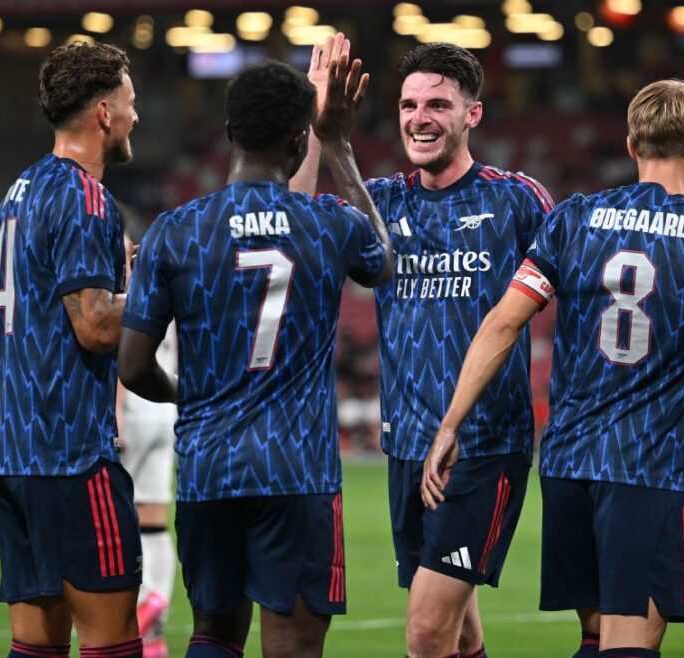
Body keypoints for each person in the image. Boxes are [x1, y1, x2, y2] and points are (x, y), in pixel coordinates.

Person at [423, 79, 684, 658]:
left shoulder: (573, 218)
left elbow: (502, 323)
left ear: (630, 145)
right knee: (630, 642)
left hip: (567, 465)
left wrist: (450, 424)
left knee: (597, 635)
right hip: (644, 470)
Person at [118, 38, 392, 658]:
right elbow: (382, 263)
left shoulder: (175, 231)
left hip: (210, 468)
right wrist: (338, 143)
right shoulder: (328, 223)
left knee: (213, 635)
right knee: (293, 644)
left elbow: (133, 365)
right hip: (297, 472)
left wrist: (190, 397)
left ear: (228, 133)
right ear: (299, 142)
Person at [294, 42, 554, 658]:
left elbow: (580, 283)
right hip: (406, 444)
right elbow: (294, 223)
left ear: (473, 114)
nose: (420, 117)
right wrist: (320, 128)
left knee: (426, 632)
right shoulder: (383, 200)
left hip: (483, 446)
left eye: (438, 104)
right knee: (459, 632)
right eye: (410, 105)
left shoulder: (517, 199)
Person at [0, 41, 144, 658]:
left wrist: (118, 281)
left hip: (9, 454)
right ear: (104, 112)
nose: (135, 116)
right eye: (130, 103)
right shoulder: (86, 195)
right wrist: (159, 289)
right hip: (69, 455)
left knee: (36, 648)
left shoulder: (17, 193)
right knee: (113, 645)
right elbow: (97, 327)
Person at [117, 323, 179, 658]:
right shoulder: (172, 291)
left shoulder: (129, 297)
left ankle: (142, 602)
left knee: (120, 514)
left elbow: (123, 355)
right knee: (154, 519)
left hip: (136, 410)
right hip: (166, 409)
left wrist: (115, 411)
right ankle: (156, 613)